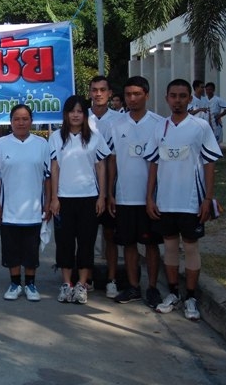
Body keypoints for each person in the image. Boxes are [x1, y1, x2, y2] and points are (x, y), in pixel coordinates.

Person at [144, 79, 222, 321]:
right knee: (169, 248)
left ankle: (191, 298)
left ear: (190, 99)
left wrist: (207, 198)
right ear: (166, 98)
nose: (177, 100)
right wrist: (149, 197)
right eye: (173, 96)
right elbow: (153, 164)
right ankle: (174, 293)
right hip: (165, 201)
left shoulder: (200, 127)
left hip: (191, 202)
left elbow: (209, 164)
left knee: (190, 247)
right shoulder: (159, 127)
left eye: (182, 96)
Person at [104, 76, 163, 307]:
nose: (132, 98)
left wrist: (154, 195)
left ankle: (152, 288)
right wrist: (111, 192)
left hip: (150, 198)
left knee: (151, 244)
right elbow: (112, 160)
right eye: (128, 94)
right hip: (125, 196)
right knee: (128, 244)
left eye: (137, 94)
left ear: (146, 95)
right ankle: (133, 287)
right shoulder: (116, 124)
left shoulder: (158, 124)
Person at [49, 95, 110, 305]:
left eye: (79, 111)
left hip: (88, 198)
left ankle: (82, 284)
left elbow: (101, 167)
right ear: (66, 114)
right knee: (64, 242)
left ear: (85, 114)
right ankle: (67, 284)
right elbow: (54, 168)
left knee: (86, 242)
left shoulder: (95, 137)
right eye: (71, 111)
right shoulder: (56, 137)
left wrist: (102, 196)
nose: (75, 115)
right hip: (64, 199)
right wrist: (54, 197)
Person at [0, 104, 51, 302]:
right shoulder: (1, 144)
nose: (21, 122)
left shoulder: (42, 144)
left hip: (34, 209)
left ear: (31, 121)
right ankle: (15, 283)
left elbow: (48, 177)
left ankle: (31, 284)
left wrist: (48, 202)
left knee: (31, 249)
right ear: (11, 122)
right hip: (9, 208)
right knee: (12, 248)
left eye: (25, 119)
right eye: (17, 119)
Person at [87, 75, 120, 298]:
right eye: (94, 90)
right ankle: (87, 278)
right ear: (89, 92)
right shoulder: (82, 117)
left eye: (102, 90)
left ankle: (111, 279)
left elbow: (113, 159)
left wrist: (108, 192)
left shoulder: (119, 119)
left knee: (110, 235)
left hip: (110, 189)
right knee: (87, 236)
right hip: (85, 190)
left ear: (109, 93)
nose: (98, 94)